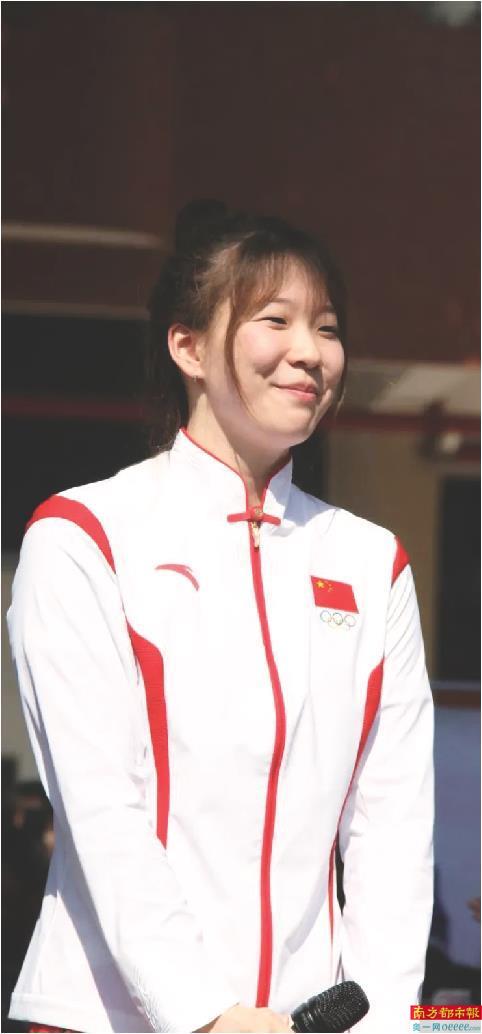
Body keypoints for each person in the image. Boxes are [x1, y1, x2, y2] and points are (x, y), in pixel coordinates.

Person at [7, 201, 434, 1034]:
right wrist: (204, 1014)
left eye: (328, 327)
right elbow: (102, 809)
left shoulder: (371, 562)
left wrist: (383, 1023)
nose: (310, 351)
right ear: (189, 346)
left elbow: (393, 829)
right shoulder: (87, 536)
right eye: (276, 320)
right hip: (108, 1016)